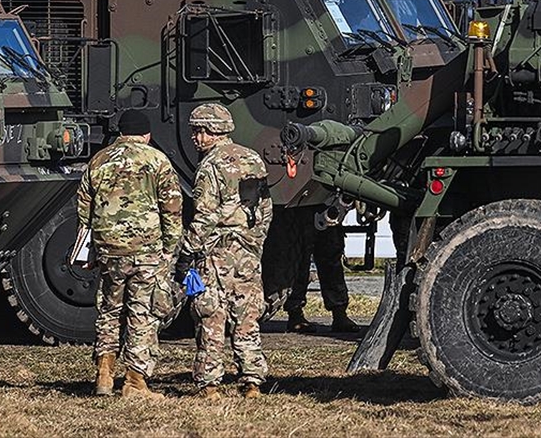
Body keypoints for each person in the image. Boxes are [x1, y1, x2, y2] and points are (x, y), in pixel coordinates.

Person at [77, 108, 182, 399]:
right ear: (146, 134)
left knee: (109, 310)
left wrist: (90, 248)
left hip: (109, 250)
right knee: (142, 312)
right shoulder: (157, 160)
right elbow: (172, 208)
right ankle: (135, 381)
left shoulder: (98, 160)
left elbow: (84, 210)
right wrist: (170, 250)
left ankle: (104, 375)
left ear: (120, 133)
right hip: (146, 250)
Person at [175, 103, 273, 399]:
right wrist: (254, 241)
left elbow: (204, 216)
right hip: (246, 254)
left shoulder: (210, 166)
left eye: (197, 131)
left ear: (209, 132)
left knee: (211, 316)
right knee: (247, 314)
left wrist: (187, 251)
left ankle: (210, 384)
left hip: (215, 255)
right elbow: (266, 209)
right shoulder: (253, 158)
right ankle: (252, 381)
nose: (194, 138)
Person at [284, 208, 360, 334]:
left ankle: (339, 313)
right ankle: (295, 312)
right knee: (299, 257)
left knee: (331, 256)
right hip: (300, 205)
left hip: (328, 204)